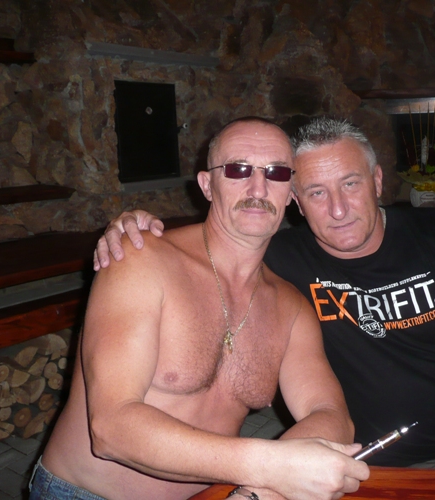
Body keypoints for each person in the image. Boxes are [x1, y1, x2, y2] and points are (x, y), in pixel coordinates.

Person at [96, 117, 435, 500]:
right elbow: (224, 237)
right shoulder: (278, 261)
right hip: (360, 461)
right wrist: (131, 228)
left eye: (350, 183)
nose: (338, 210)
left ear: (377, 181)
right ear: (294, 200)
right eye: (315, 192)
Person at [33, 117, 369, 500]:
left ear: (290, 193)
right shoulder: (142, 259)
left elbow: (332, 415)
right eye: (238, 169)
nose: (258, 188)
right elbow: (111, 428)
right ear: (207, 185)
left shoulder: (291, 307)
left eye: (275, 173)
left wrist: (259, 492)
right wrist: (271, 467)